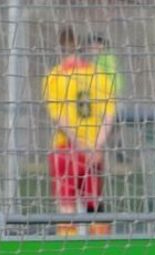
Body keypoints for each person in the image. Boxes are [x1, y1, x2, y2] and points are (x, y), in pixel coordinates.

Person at [43, 26, 115, 236]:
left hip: (66, 149)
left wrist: (79, 143)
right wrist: (96, 145)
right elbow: (109, 114)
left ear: (59, 47)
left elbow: (59, 118)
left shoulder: (55, 76)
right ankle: (101, 251)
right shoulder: (96, 74)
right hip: (93, 151)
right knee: (94, 205)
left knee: (67, 207)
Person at [84, 33, 124, 99]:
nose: (94, 47)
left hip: (110, 89)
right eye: (92, 45)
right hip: (111, 88)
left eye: (97, 44)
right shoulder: (103, 56)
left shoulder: (105, 57)